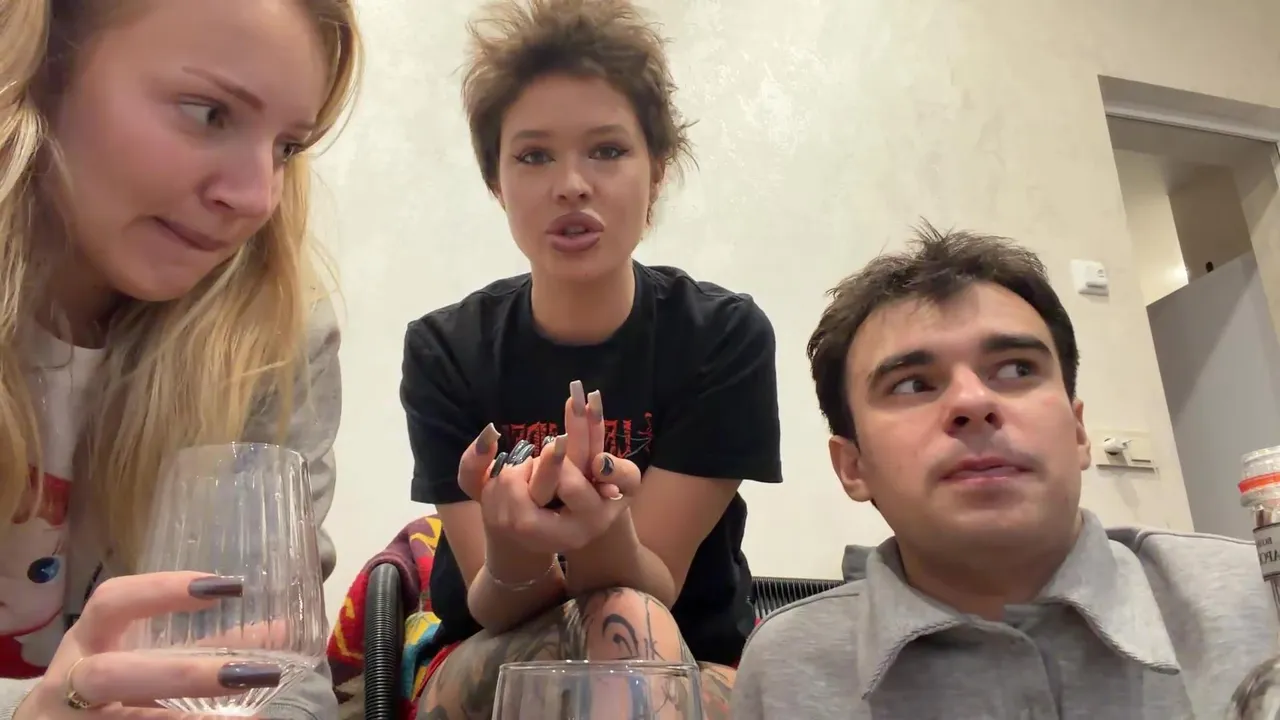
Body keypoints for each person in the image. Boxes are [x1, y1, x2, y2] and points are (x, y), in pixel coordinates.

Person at [400, 0, 783, 716]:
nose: (571, 184)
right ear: (496, 182)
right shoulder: (445, 350)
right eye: (533, 155)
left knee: (629, 622)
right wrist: (516, 554)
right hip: (493, 654)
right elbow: (489, 601)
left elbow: (654, 582)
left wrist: (602, 531)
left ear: (657, 171)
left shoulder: (721, 338)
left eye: (607, 150)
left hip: (690, 659)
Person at [731, 225, 1280, 719]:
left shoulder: (1257, 596)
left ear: (1078, 431)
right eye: (913, 384)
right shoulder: (788, 670)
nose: (973, 402)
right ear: (853, 467)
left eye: (1016, 369)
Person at [0, 1, 360, 717]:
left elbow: (282, 675)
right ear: (42, 70)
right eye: (208, 113)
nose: (256, 198)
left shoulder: (274, 341)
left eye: (287, 147)